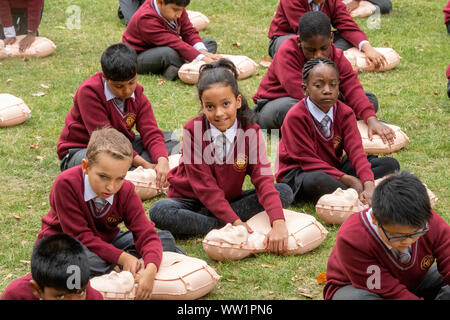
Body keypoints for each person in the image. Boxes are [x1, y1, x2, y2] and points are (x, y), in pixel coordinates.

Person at [149, 59, 294, 255]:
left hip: (226, 200)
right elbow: (206, 188)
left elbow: (263, 178)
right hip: (190, 200)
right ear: (202, 105)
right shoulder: (193, 131)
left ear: (238, 101)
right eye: (210, 107)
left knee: (283, 191)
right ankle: (219, 222)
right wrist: (236, 222)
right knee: (160, 210)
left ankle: (201, 224)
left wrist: (278, 223)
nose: (219, 113)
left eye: (226, 104)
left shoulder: (250, 130)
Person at [39, 127, 183, 300]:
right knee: (79, 261)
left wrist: (151, 269)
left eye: (119, 178)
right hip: (65, 244)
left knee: (164, 239)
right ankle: (122, 268)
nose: (111, 187)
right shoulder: (66, 184)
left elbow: (145, 233)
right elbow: (80, 236)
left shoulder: (126, 190)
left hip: (107, 241)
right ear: (86, 166)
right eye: (103, 177)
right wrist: (123, 258)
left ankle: (123, 269)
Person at [254, 10, 394, 145]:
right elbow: (300, 93)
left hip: (324, 101)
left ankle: (332, 123)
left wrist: (371, 119)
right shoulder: (287, 52)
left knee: (369, 100)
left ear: (332, 39)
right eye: (311, 50)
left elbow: (352, 87)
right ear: (299, 42)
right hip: (280, 104)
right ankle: (335, 125)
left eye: (323, 48)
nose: (318, 56)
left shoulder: (337, 55)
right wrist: (344, 113)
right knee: (292, 108)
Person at [275, 57, 399, 205]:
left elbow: (356, 151)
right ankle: (353, 192)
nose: (327, 90)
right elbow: (308, 161)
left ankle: (357, 191)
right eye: (318, 85)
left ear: (339, 87)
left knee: (390, 164)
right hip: (300, 172)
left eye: (333, 85)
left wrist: (368, 183)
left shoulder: (345, 112)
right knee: (318, 180)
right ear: (305, 89)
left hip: (334, 168)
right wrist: (349, 179)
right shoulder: (296, 116)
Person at [57, 43, 179, 190]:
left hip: (124, 144)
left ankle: (129, 174)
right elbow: (106, 139)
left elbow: (151, 131)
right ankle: (128, 174)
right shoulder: (89, 92)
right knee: (105, 160)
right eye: (119, 86)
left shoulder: (138, 94)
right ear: (105, 78)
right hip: (86, 149)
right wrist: (146, 165)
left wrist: (162, 161)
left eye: (131, 83)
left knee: (171, 139)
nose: (127, 91)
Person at [324, 171, 450, 300]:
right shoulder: (353, 237)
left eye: (416, 233)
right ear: (375, 219)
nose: (408, 241)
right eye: (397, 236)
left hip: (414, 281)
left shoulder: (431, 222)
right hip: (365, 288)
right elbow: (388, 290)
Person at [122, 0, 220, 80]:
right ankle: (185, 67)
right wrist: (204, 59)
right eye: (175, 10)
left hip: (169, 46)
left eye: (182, 10)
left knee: (209, 43)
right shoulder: (146, 17)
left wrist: (203, 52)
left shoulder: (178, 9)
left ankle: (175, 68)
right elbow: (175, 43)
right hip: (139, 57)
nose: (179, 15)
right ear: (160, 2)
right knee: (169, 53)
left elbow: (188, 31)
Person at [267, 0, 388, 65]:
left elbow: (348, 25)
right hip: (290, 37)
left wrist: (368, 49)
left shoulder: (332, 2)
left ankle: (325, 55)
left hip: (319, 39)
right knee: (290, 45)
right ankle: (328, 56)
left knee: (347, 38)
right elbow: (304, 31)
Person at [1, 234, 103, 300]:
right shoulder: (16, 296)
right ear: (37, 290)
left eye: (80, 293)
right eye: (61, 296)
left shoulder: (92, 297)